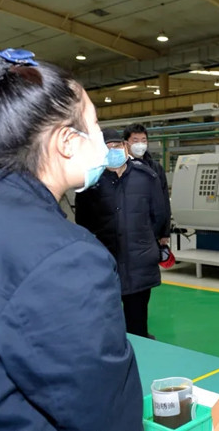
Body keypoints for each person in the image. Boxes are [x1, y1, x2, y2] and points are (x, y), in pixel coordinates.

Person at [0, 48, 142, 430]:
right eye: (94, 125)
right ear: (67, 141)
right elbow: (103, 412)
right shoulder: (66, 258)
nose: (101, 139)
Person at [76, 128, 167, 338]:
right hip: (106, 262)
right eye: (107, 147)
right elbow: (84, 221)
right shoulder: (91, 182)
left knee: (137, 323)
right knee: (107, 323)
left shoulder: (146, 177)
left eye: (116, 145)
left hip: (139, 262)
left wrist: (142, 239)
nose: (113, 150)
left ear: (125, 147)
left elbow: (158, 215)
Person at [123, 123, 171, 247]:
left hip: (152, 231)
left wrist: (165, 231)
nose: (140, 144)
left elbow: (164, 199)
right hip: (128, 230)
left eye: (143, 140)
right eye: (135, 141)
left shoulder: (155, 168)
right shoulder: (120, 167)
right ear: (126, 143)